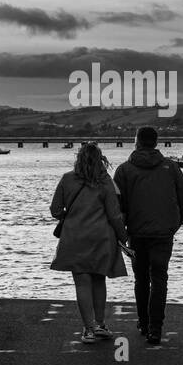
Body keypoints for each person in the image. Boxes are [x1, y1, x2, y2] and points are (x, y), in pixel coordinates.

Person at [113, 126, 183, 345]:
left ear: (136, 141)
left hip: (136, 234)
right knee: (160, 279)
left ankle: (143, 321)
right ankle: (155, 328)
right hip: (163, 234)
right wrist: (173, 225)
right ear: (156, 143)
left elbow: (116, 207)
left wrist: (122, 233)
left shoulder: (124, 170)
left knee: (141, 279)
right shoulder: (171, 168)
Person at [49, 142, 129, 343]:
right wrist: (124, 238)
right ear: (100, 159)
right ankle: (101, 324)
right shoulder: (105, 181)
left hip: (75, 238)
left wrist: (71, 214)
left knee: (82, 283)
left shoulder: (67, 179)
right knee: (99, 280)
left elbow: (55, 210)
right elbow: (114, 215)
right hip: (102, 238)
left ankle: (88, 329)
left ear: (79, 158)